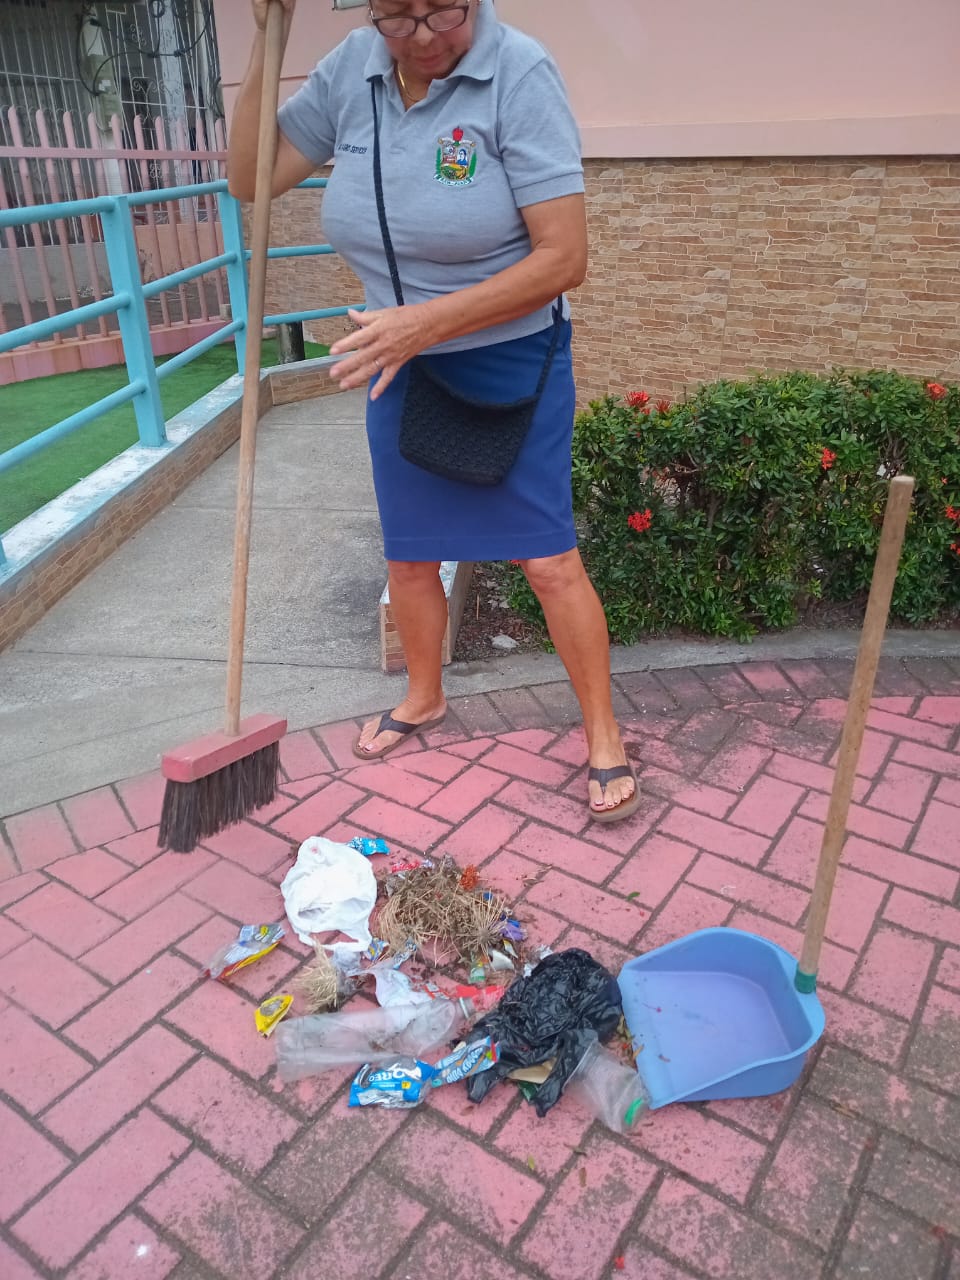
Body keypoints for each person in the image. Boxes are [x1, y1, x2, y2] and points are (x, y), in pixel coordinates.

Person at [228, 0, 640, 822]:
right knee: (410, 554)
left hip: (510, 356)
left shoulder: (518, 73)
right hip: (398, 354)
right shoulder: (351, 68)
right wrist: (266, 44)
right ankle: (424, 696)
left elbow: (565, 256)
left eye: (443, 10)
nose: (424, 36)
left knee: (548, 560)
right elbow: (251, 180)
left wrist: (424, 325)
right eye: (397, 17)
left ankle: (604, 734)